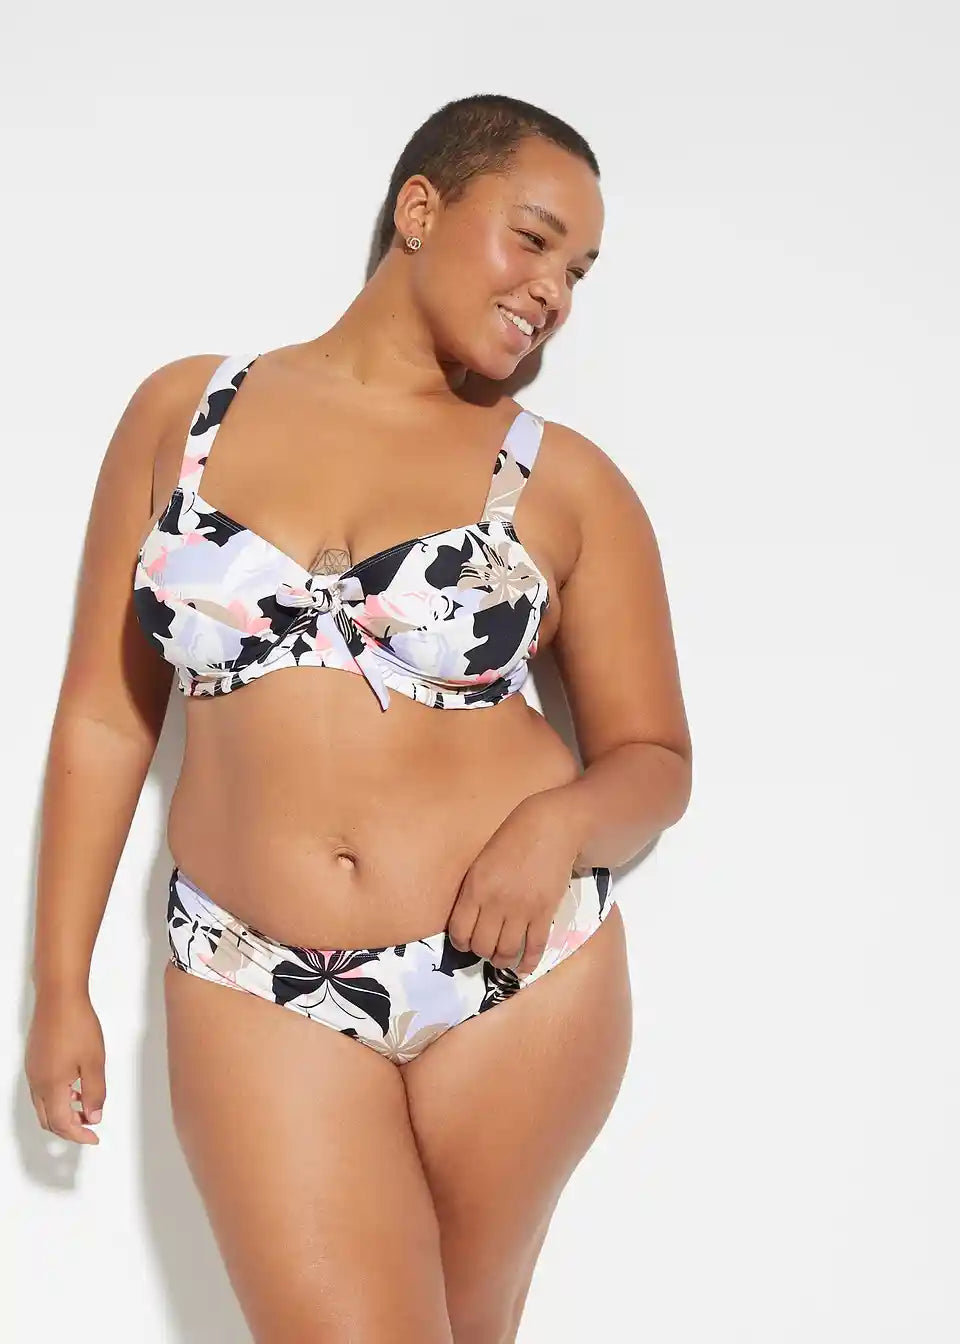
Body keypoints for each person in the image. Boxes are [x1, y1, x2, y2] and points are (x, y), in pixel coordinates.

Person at [25, 93, 692, 1343]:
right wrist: (59, 983)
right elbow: (106, 721)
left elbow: (656, 760)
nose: (553, 291)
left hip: (515, 985)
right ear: (420, 209)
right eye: (534, 239)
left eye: (579, 271)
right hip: (250, 976)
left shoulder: (567, 482)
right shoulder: (188, 415)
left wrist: (554, 829)